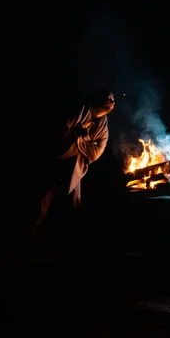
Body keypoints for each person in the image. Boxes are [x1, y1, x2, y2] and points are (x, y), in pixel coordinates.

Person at [30, 88, 116, 236]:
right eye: (108, 98)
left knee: (74, 201)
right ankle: (33, 230)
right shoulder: (80, 110)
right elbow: (59, 136)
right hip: (58, 159)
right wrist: (80, 144)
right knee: (46, 194)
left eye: (113, 99)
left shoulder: (103, 127)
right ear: (98, 98)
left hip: (77, 164)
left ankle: (70, 239)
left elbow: (96, 154)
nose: (111, 101)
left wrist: (81, 138)